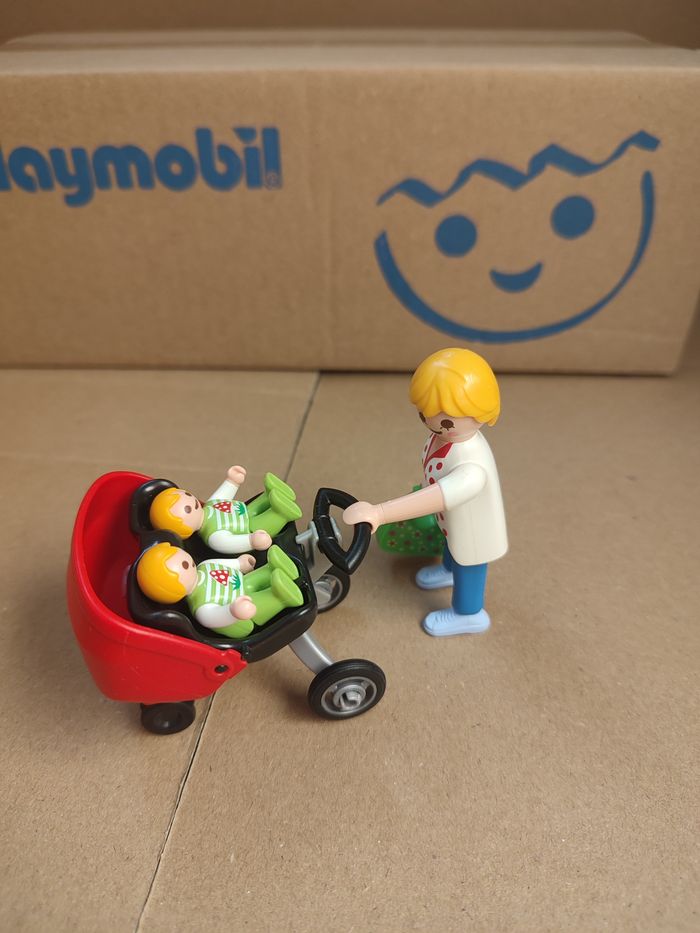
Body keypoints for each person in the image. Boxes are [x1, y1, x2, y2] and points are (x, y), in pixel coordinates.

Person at [343, 347, 507, 637]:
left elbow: (438, 496)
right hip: (453, 522)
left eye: (446, 421)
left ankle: (469, 614)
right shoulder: (443, 439)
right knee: (452, 548)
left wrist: (379, 513)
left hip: (474, 531)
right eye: (424, 414)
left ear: (482, 414)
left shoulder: (472, 468)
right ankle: (447, 571)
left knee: (468, 566)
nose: (432, 422)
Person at [136, 542, 304, 639]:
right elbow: (215, 617)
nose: (185, 557)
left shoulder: (203, 566)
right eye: (184, 564)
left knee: (250, 582)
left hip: (241, 583)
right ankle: (280, 596)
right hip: (238, 617)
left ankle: (272, 569)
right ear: (172, 588)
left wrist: (239, 563)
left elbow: (222, 565)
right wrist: (233, 611)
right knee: (257, 602)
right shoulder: (202, 609)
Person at [149, 466, 302, 555]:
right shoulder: (213, 536)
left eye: (187, 495)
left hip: (246, 510)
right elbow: (230, 543)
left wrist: (232, 481)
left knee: (261, 502)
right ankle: (282, 513)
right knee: (270, 518)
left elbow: (222, 497)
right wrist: (251, 541)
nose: (191, 500)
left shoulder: (209, 506)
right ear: (184, 530)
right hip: (249, 528)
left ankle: (271, 494)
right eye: (187, 509)